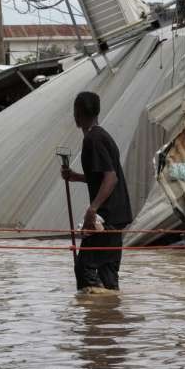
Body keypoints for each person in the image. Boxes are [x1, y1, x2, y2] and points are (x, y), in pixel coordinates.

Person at [61, 92, 133, 292]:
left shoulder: (93, 139)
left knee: (85, 267)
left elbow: (111, 178)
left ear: (77, 114)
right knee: (107, 272)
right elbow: (101, 177)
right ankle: (109, 316)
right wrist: (76, 176)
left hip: (106, 217)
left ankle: (95, 315)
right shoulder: (102, 135)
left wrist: (92, 209)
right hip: (116, 216)